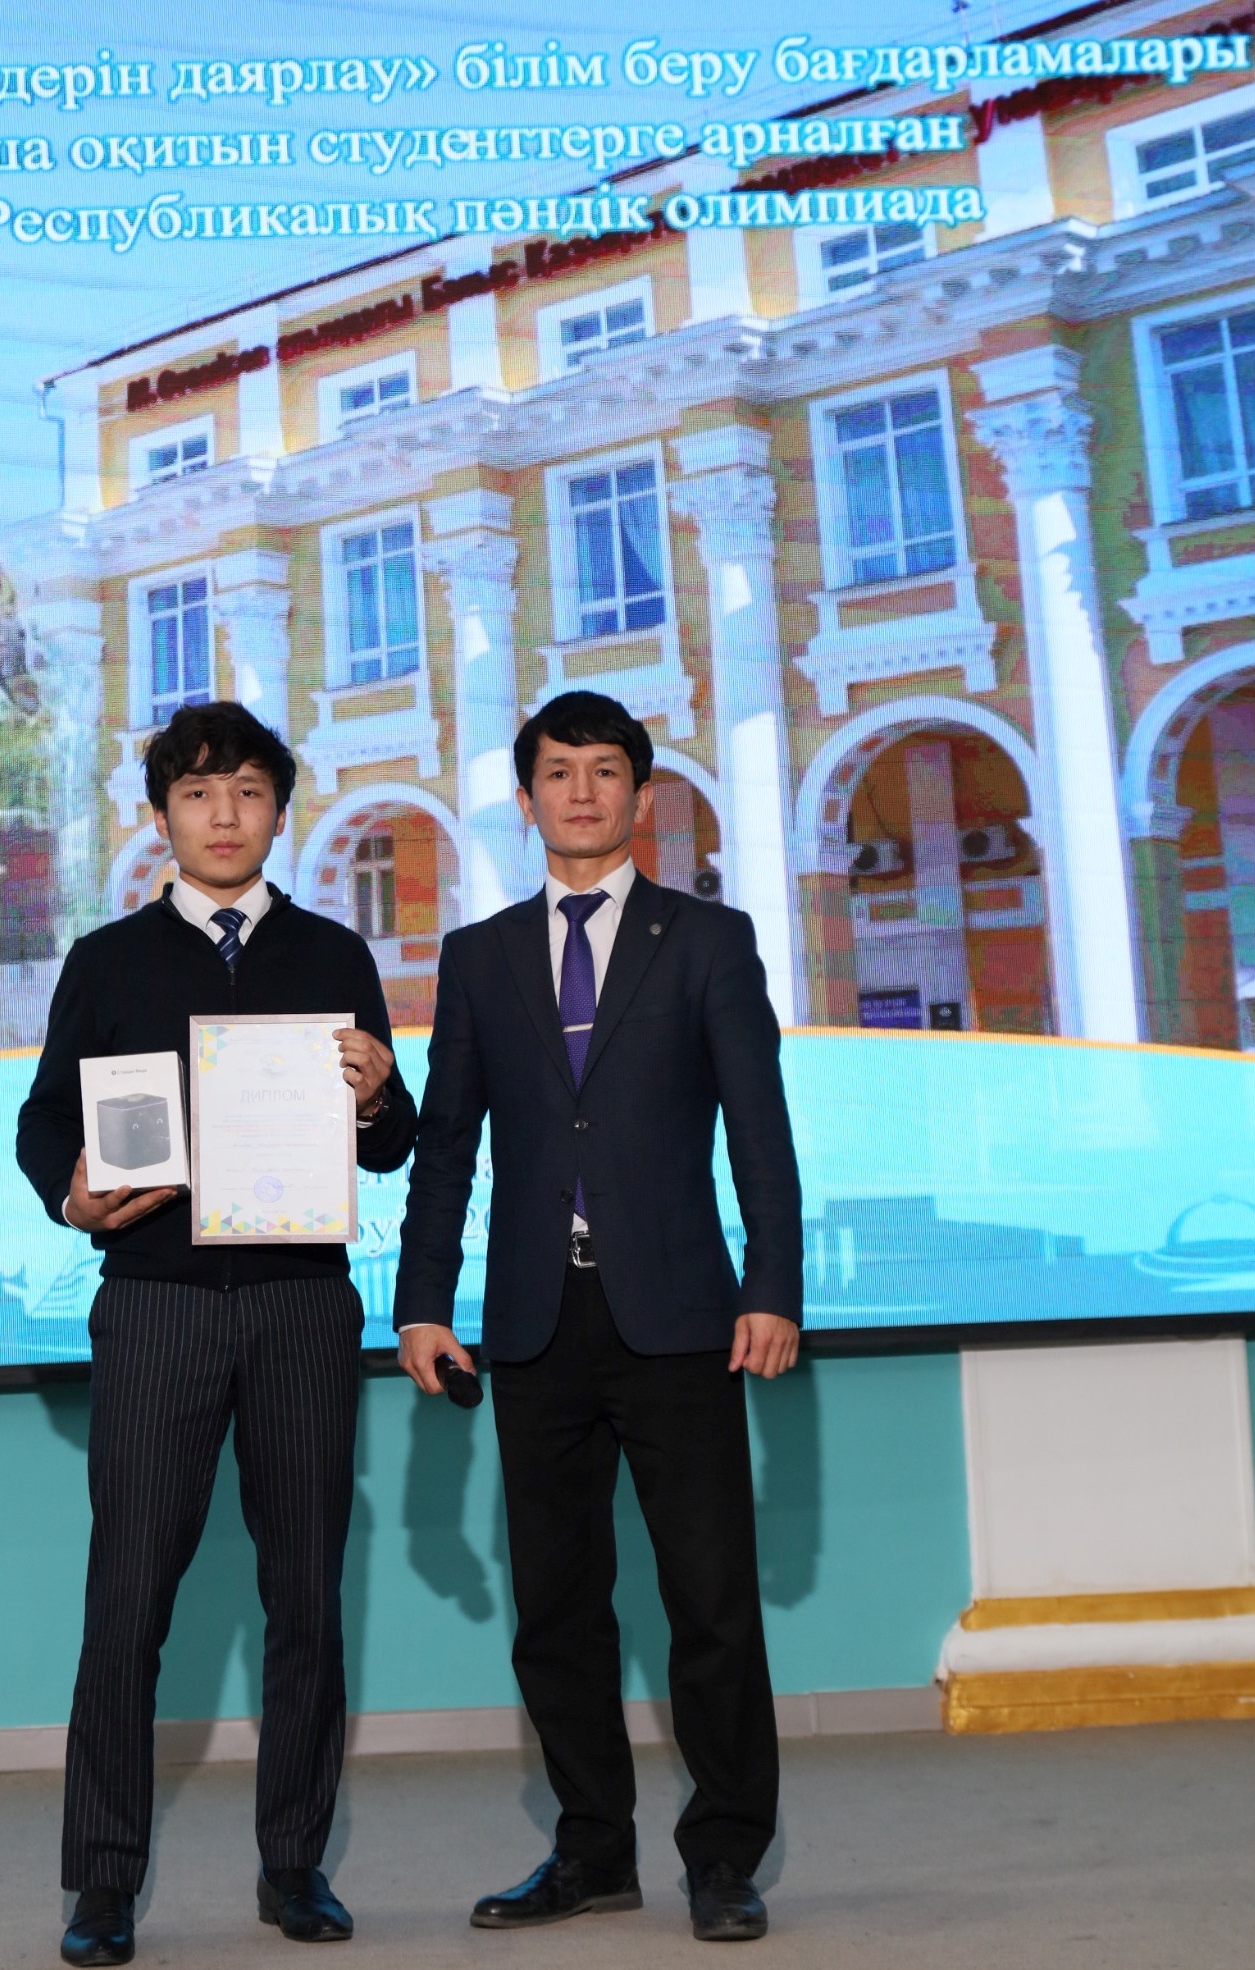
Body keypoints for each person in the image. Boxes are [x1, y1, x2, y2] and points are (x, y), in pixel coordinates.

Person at [393, 689, 802, 1945]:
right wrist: (420, 1301)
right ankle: (590, 1848)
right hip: (533, 1323)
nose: (581, 791)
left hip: (680, 1316)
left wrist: (771, 1284)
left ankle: (723, 1856)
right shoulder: (479, 956)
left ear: (639, 792)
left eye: (605, 769)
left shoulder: (709, 939)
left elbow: (758, 1129)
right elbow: (446, 1146)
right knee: (557, 1608)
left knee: (710, 1601)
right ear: (525, 800)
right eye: (558, 772)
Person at [17, 702, 417, 1967]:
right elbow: (44, 1118)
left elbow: (390, 1139)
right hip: (157, 1304)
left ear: (278, 810)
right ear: (161, 816)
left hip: (301, 1303)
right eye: (196, 793)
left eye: (246, 790)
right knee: (126, 1595)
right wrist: (72, 1193)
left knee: (304, 1593)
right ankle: (100, 1882)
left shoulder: (334, 953)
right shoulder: (106, 958)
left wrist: (379, 1094)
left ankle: (294, 1864)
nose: (223, 813)